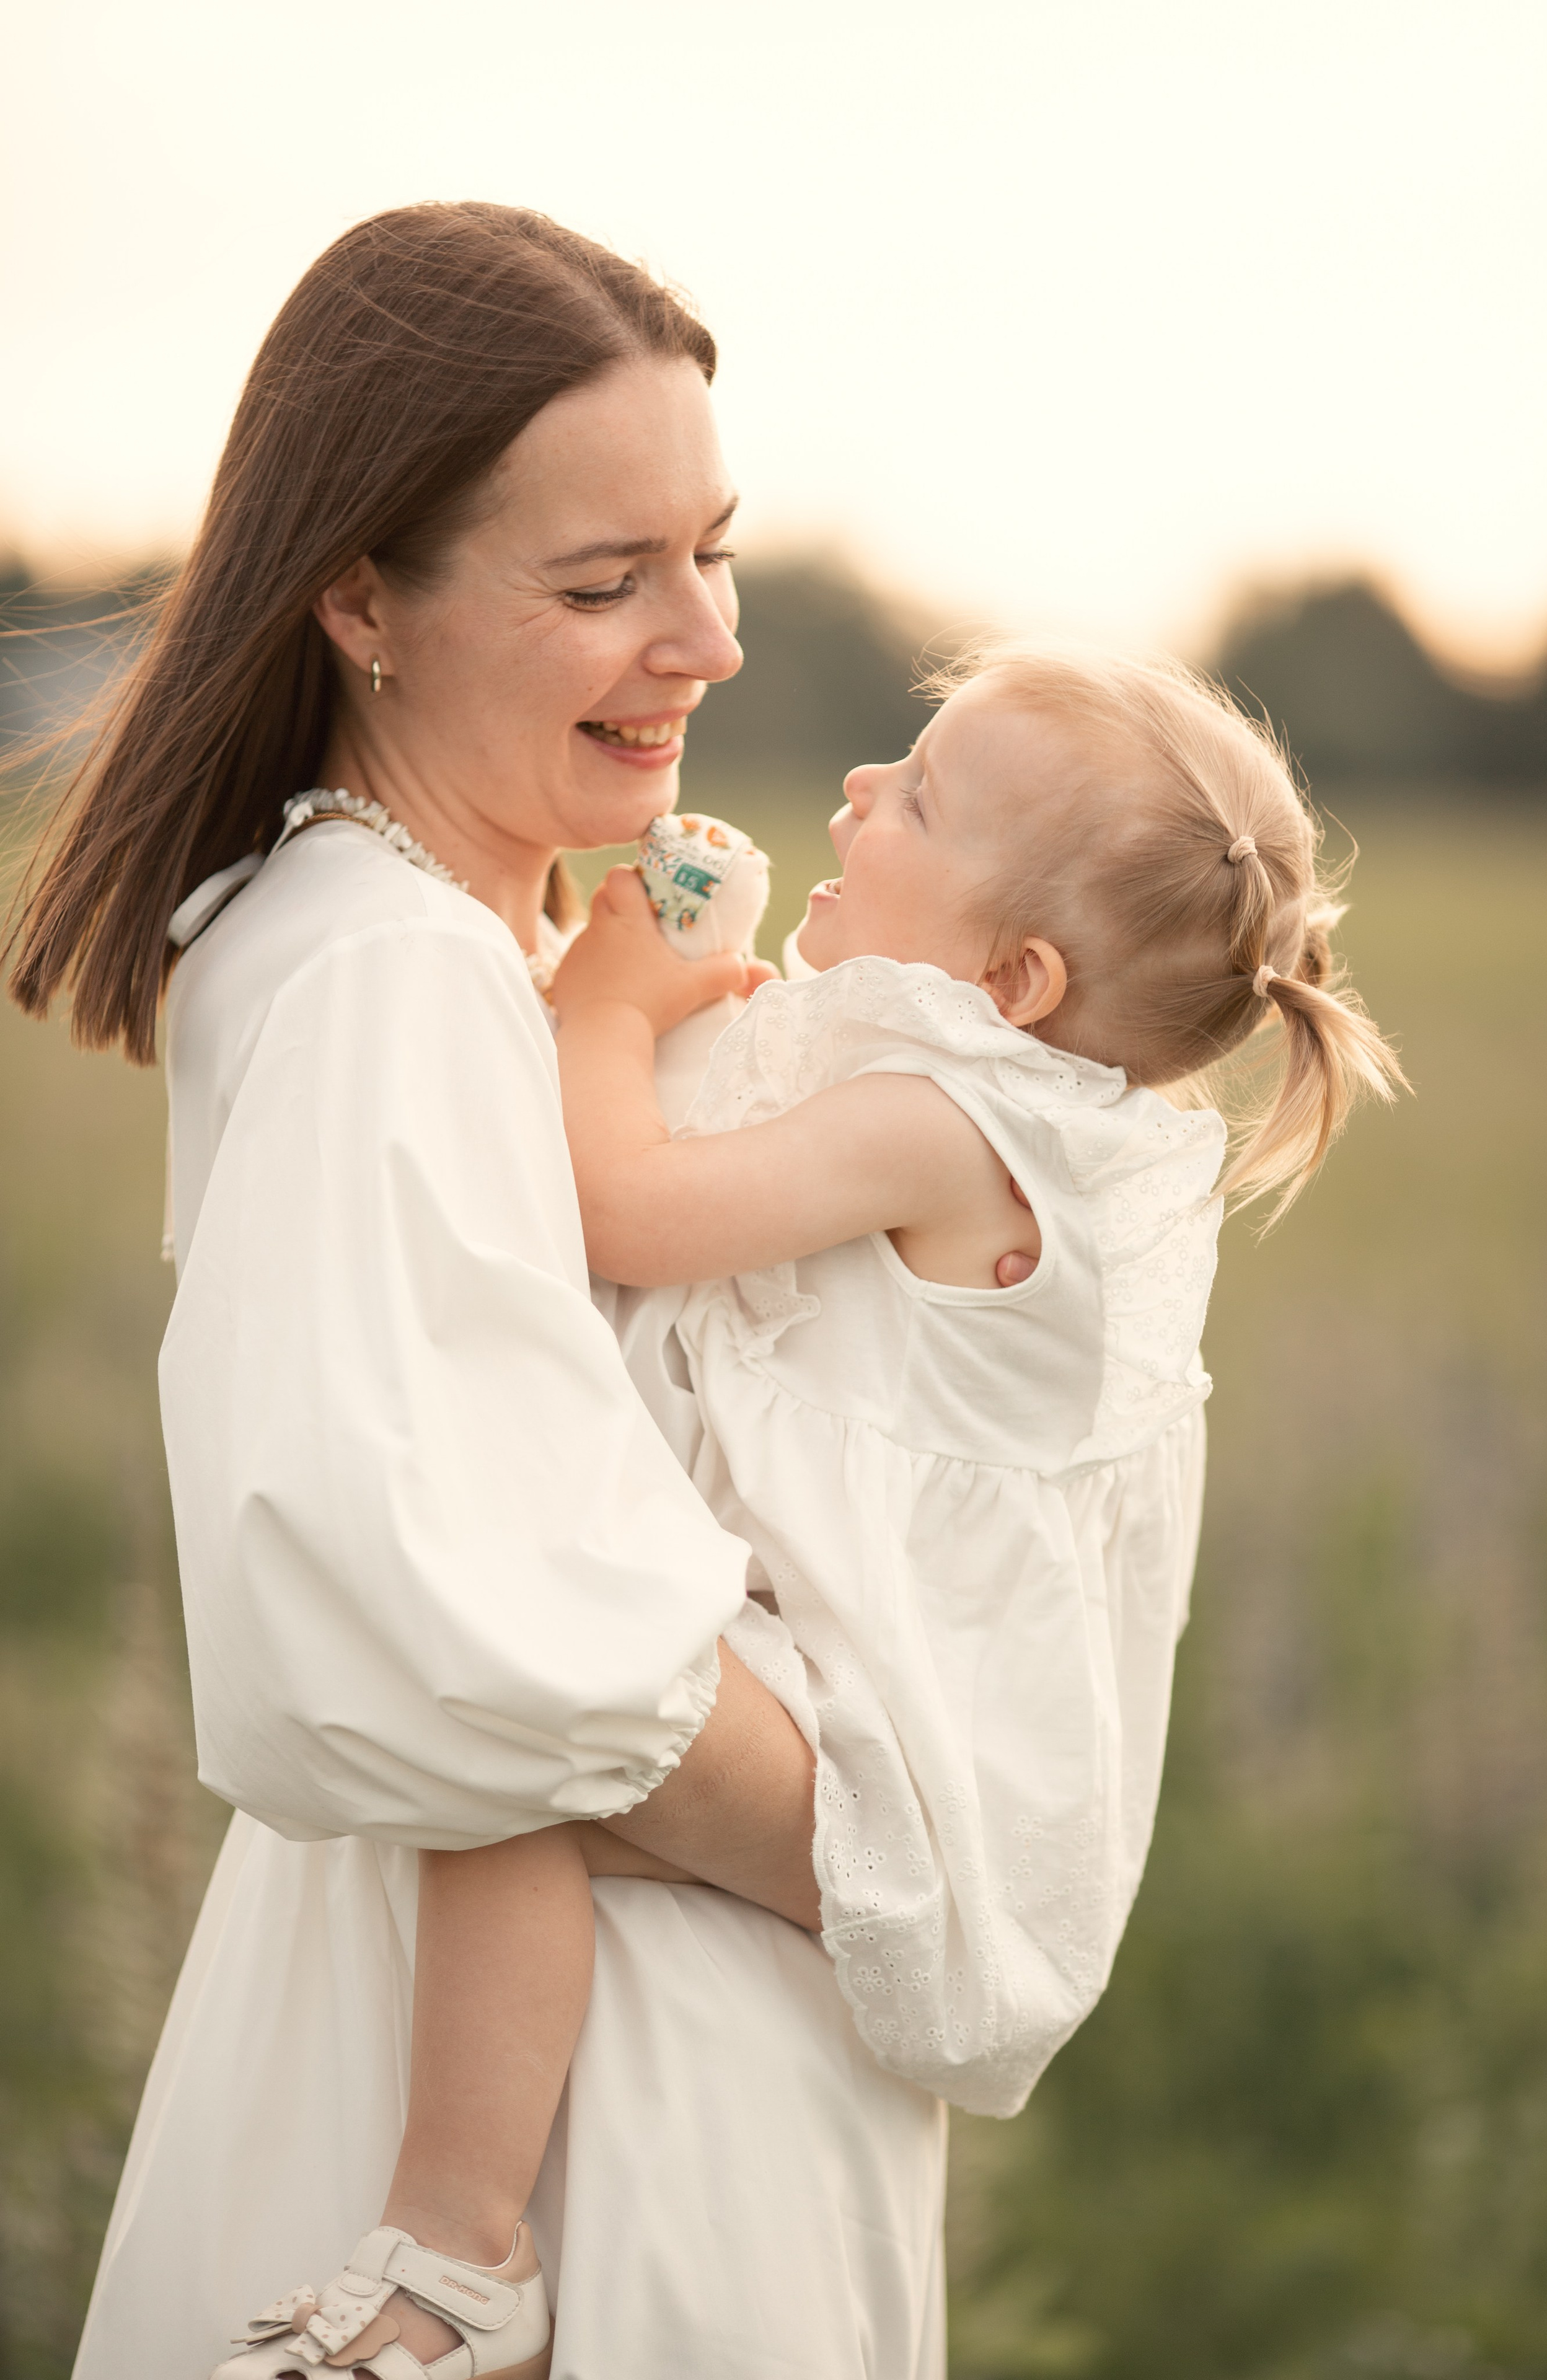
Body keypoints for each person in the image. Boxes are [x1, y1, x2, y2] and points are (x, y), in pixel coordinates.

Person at [209, 640, 1404, 2379]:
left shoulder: (947, 1128)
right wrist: (708, 988)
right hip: (851, 1714)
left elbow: (627, 1209)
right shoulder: (1012, 1102)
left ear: (1015, 978)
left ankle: (459, 2259)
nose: (858, 791)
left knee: (518, 1743)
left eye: (918, 796)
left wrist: (613, 1001)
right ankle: (458, 2251)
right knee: (517, 1736)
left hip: (883, 1776)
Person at [7, 204, 950, 2380]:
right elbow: (454, 1606)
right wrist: (910, 1868)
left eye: (711, 549)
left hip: (531, 1996)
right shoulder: (390, 975)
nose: (704, 641)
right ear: (360, 599)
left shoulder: (434, 943)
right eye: (603, 584)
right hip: (582, 2102)